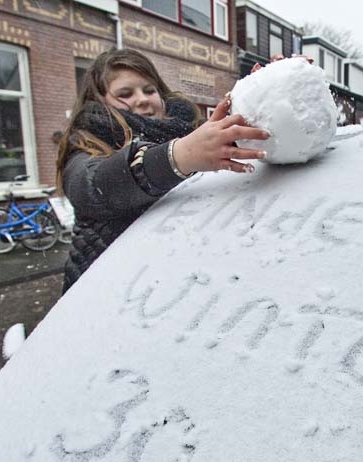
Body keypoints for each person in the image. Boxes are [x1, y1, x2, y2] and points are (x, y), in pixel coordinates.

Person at [56, 48, 269, 293]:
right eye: (125, 93)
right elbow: (95, 187)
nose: (143, 98)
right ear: (100, 101)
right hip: (105, 296)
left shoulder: (188, 132)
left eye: (149, 89)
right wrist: (179, 156)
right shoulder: (84, 147)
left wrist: (268, 87)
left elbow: (250, 140)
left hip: (171, 288)